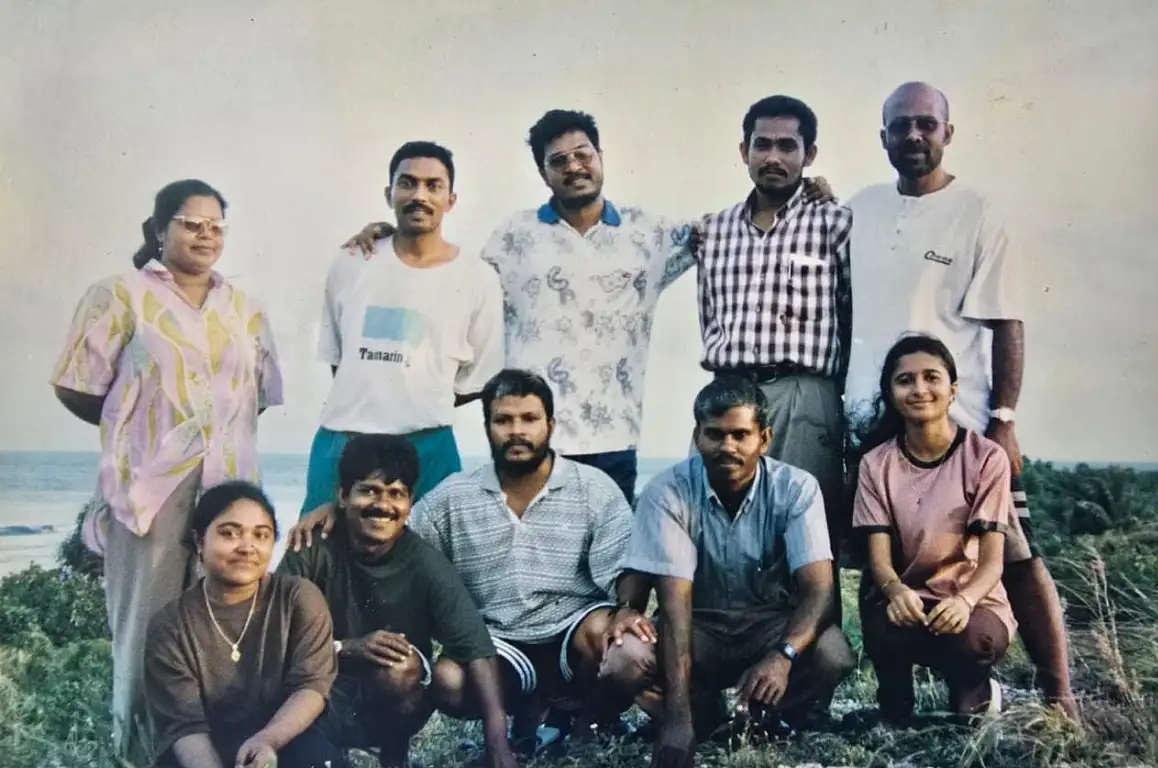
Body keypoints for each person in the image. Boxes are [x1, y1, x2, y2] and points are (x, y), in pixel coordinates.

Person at [339, 110, 835, 505]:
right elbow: (452, 279)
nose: (574, 166)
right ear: (543, 172)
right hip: (530, 435)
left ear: (600, 157)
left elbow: (734, 228)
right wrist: (393, 235)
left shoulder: (650, 234)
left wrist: (814, 191)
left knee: (609, 568)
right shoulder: (512, 237)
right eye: (559, 160)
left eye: (583, 154)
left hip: (613, 438)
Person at [843, 81, 1078, 720]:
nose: (913, 135)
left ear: (948, 132)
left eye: (926, 123)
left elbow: (1007, 320)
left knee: (1016, 554)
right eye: (900, 125)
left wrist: (1004, 419)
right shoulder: (861, 208)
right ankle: (894, 698)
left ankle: (1058, 693)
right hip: (871, 417)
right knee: (881, 557)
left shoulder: (977, 210)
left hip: (961, 421)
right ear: (883, 136)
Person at [49, 179, 284, 753]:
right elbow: (78, 387)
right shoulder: (118, 295)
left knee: (225, 626)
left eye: (216, 226)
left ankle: (217, 760)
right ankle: (138, 763)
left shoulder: (247, 309)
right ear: (159, 230)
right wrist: (141, 432)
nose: (205, 235)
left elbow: (254, 398)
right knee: (146, 628)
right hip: (150, 492)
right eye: (190, 223)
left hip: (229, 491)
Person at [601, 376, 856, 768]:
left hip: (767, 626)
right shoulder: (667, 491)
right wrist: (677, 720)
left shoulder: (796, 488)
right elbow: (676, 608)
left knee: (834, 653)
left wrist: (782, 655)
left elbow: (820, 590)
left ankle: (767, 716)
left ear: (764, 439)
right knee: (623, 660)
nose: (727, 447)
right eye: (715, 434)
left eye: (740, 435)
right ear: (697, 436)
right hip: (698, 628)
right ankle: (702, 713)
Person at [278, 433, 524, 768]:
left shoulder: (425, 562)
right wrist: (349, 647)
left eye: (396, 494)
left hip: (388, 698)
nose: (383, 505)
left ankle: (394, 759)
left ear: (410, 504)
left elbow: (477, 651)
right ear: (342, 496)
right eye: (369, 491)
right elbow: (275, 638)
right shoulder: (311, 548)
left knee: (400, 665)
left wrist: (498, 745)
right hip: (313, 691)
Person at [411, 368, 635, 745]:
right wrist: (335, 512)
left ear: (550, 425)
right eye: (503, 420)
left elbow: (624, 569)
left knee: (617, 641)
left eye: (529, 419)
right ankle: (529, 709)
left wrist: (627, 609)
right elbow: (402, 544)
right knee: (449, 681)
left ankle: (588, 720)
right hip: (500, 642)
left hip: (573, 633)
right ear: (487, 426)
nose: (517, 431)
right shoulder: (453, 497)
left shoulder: (593, 488)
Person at [296, 140, 504, 527]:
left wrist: (416, 401)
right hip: (343, 442)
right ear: (388, 193)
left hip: (429, 448)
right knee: (315, 554)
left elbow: (477, 380)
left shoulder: (477, 278)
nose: (419, 195)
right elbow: (341, 359)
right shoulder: (353, 260)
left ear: (451, 199)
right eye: (407, 183)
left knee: (431, 555)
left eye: (433, 185)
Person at [695, 95, 854, 560]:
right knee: (715, 534)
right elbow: (709, 316)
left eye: (788, 146)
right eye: (762, 145)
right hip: (728, 394)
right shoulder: (714, 231)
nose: (773, 157)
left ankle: (811, 614)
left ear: (810, 154)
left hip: (804, 394)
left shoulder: (835, 223)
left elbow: (851, 314)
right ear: (744, 150)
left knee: (805, 539)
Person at [143, 481, 352, 768]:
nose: (247, 546)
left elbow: (311, 688)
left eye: (261, 535)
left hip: (284, 737)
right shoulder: (170, 625)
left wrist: (267, 741)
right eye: (229, 534)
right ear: (199, 541)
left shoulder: (298, 598)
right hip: (205, 750)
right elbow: (184, 725)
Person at [853, 334, 1016, 723]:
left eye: (931, 377)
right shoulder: (875, 464)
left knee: (972, 648)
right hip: (909, 597)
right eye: (905, 380)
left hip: (971, 601)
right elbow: (879, 560)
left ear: (953, 391)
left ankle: (975, 690)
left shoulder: (986, 458)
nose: (919, 389)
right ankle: (895, 703)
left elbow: (992, 563)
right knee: (884, 628)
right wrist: (895, 591)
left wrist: (964, 602)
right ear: (890, 393)